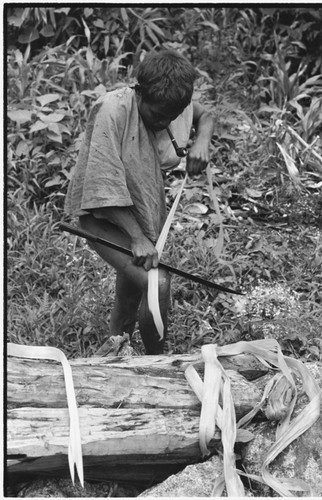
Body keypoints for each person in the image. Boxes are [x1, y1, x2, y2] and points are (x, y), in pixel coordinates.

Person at [65, 47, 214, 355]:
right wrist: (136, 238)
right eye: (157, 115)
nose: (164, 123)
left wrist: (201, 142)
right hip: (102, 217)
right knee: (156, 284)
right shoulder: (112, 110)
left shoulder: (174, 102)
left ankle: (117, 350)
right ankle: (155, 364)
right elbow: (100, 188)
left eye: (171, 117)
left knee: (130, 296)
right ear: (138, 91)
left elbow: (204, 115)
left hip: (145, 213)